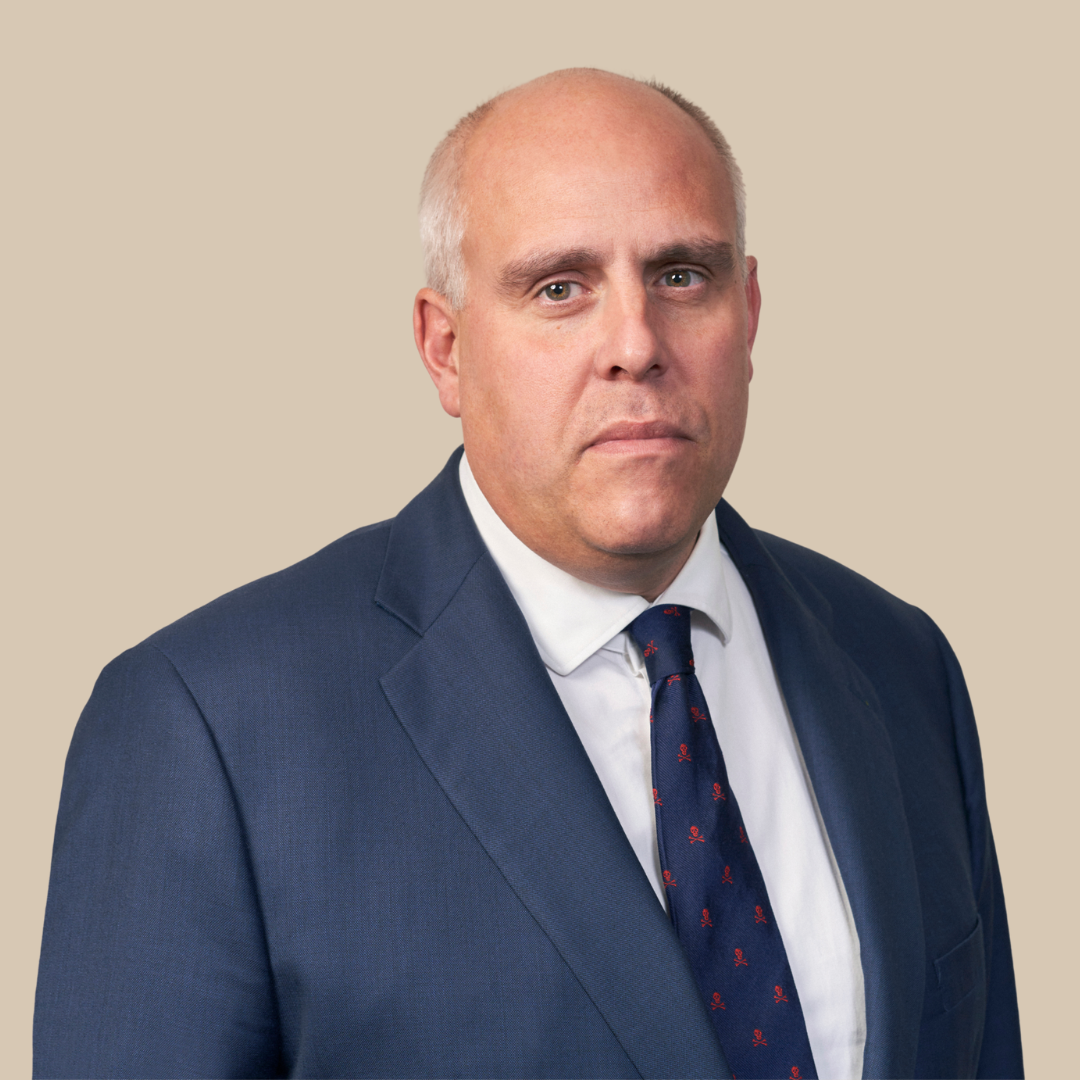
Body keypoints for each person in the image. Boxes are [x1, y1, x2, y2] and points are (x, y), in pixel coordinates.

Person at [34, 69, 1022, 1080]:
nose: (635, 345)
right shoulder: (207, 729)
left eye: (683, 274)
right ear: (445, 349)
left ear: (751, 313)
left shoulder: (901, 667)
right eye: (560, 287)